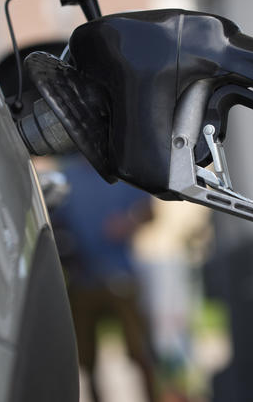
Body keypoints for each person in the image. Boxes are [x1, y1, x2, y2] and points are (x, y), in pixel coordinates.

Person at [50, 155, 157, 402]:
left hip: (121, 276)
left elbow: (149, 211)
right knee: (87, 358)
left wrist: (128, 222)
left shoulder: (123, 173)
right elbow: (56, 220)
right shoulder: (67, 176)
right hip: (82, 278)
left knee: (140, 351)